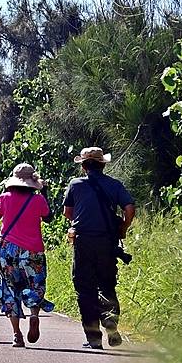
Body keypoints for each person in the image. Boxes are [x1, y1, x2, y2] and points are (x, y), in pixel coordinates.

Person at [63, 147, 135, 350]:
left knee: (85, 289)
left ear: (84, 166)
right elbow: (129, 208)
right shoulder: (114, 185)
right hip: (107, 242)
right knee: (106, 285)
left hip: (84, 241)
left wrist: (84, 218)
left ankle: (94, 338)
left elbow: (68, 213)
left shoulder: (75, 184)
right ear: (103, 165)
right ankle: (110, 322)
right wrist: (123, 227)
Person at [0, 163, 55, 348]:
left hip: (9, 251)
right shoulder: (37, 200)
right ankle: (34, 315)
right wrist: (44, 193)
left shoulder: (4, 197)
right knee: (36, 285)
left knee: (10, 289)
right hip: (33, 250)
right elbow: (48, 217)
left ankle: (16, 334)